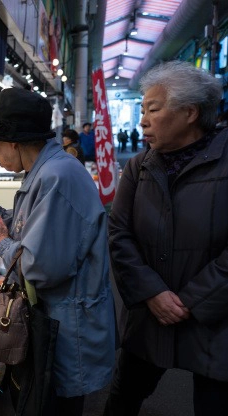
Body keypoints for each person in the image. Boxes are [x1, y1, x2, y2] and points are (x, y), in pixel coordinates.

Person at [0, 87, 115, 416]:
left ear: (13, 141)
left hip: (65, 329)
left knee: (54, 408)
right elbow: (34, 229)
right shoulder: (47, 170)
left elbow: (40, 266)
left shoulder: (58, 177)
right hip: (52, 321)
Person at [105, 61, 228, 415]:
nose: (143, 120)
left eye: (153, 110)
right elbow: (119, 232)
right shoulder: (139, 165)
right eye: (142, 110)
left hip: (215, 321)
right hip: (150, 315)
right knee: (123, 398)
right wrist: (152, 292)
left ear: (190, 112)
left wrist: (191, 299)